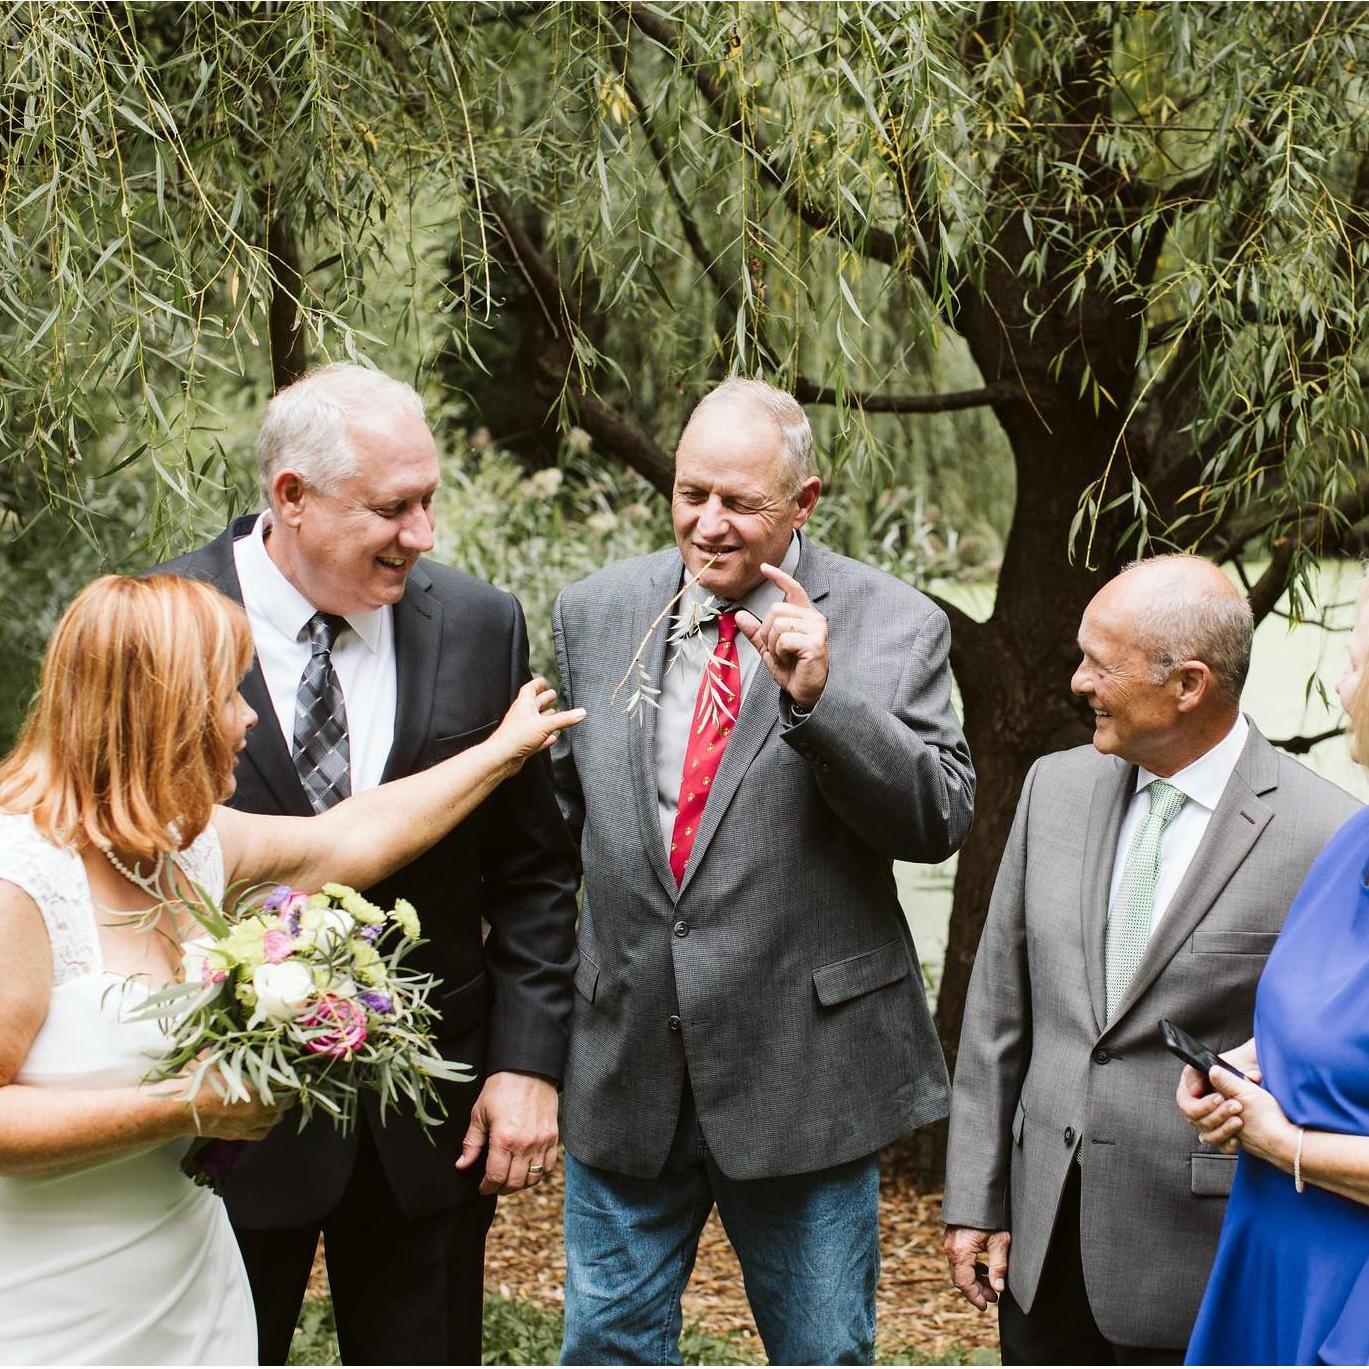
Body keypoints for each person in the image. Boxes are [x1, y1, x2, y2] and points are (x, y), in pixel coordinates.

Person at [0, 573, 582, 1366]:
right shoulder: (20, 878)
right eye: (225, 694)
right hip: (53, 1298)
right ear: (160, 713)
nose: (246, 717)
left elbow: (353, 839)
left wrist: (498, 755)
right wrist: (185, 1103)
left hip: (189, 1289)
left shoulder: (191, 844)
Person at [155, 364, 581, 1365]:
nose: (422, 534)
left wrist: (526, 1065)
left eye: (429, 500)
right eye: (394, 508)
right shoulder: (167, 618)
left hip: (425, 1122)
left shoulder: (481, 623)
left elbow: (534, 875)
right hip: (220, 1118)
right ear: (292, 496)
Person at [549, 376, 975, 1365]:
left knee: (822, 1350)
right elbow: (561, 836)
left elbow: (936, 816)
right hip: (626, 1063)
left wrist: (825, 702)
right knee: (604, 1345)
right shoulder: (594, 613)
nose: (706, 523)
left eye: (738, 503)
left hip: (806, 1071)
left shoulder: (894, 623)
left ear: (804, 503)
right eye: (691, 493)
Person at [941, 555, 1359, 1365]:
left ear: (1188, 684)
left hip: (1197, 1257)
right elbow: (997, 1016)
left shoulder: (1326, 835)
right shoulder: (1050, 789)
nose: (1076, 681)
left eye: (1099, 662)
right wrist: (974, 1197)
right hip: (1041, 1244)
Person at [1177, 576, 1369, 1365]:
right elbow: (1325, 1018)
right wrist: (1245, 1067)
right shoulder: (1351, 842)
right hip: (1269, 1250)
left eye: (1354, 666)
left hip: (1346, 1282)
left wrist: (1282, 1140)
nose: (1339, 686)